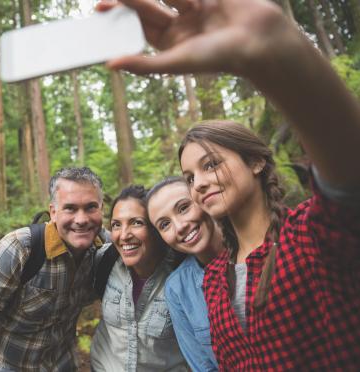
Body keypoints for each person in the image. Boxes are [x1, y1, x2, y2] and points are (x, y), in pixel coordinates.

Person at [97, 0, 360, 369]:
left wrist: (281, 51)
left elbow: (349, 165)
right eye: (190, 178)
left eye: (211, 165)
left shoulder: (311, 233)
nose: (200, 183)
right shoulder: (215, 281)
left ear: (255, 160)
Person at [0, 167, 108, 372]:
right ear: (53, 212)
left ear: (102, 209)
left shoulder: (107, 246)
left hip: (64, 364)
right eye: (70, 208)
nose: (81, 219)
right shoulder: (20, 248)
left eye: (91, 207)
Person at [90, 185, 187, 372]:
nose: (124, 235)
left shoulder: (181, 272)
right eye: (117, 224)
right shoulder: (104, 261)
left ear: (156, 227)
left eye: (136, 222)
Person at [147, 177, 223, 372]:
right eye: (164, 224)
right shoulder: (177, 288)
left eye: (183, 208)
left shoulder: (256, 248)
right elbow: (203, 366)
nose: (180, 226)